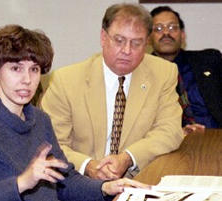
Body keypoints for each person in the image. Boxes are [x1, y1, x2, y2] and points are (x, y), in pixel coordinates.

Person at [0, 24, 150, 201]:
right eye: (16, 68)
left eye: (34, 69)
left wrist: (106, 187)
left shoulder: (39, 119)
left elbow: (65, 181)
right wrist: (22, 182)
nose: (27, 79)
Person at [41, 3, 184, 181]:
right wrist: (88, 166)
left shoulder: (163, 73)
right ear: (103, 37)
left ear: (147, 43)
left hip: (139, 180)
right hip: (82, 184)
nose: (126, 50)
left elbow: (170, 131)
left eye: (136, 43)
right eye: (119, 40)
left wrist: (128, 158)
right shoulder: (66, 80)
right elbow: (51, 144)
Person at [149, 6, 222, 134]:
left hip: (216, 135)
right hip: (171, 142)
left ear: (182, 35)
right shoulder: (141, 72)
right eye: (158, 28)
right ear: (148, 38)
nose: (166, 33)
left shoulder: (209, 60)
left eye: (172, 27)